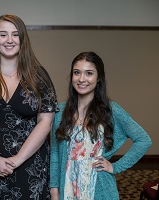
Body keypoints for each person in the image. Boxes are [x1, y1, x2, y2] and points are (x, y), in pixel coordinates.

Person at [0, 14, 58, 199]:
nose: (9, 40)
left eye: (15, 34)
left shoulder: (39, 76)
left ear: (23, 39)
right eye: (3, 34)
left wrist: (17, 160)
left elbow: (45, 122)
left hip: (29, 167)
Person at [50, 51, 152, 200]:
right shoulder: (60, 112)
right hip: (68, 189)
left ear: (98, 78)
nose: (82, 79)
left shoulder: (111, 110)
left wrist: (115, 167)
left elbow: (143, 139)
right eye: (77, 73)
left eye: (89, 73)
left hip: (100, 189)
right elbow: (55, 152)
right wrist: (54, 189)